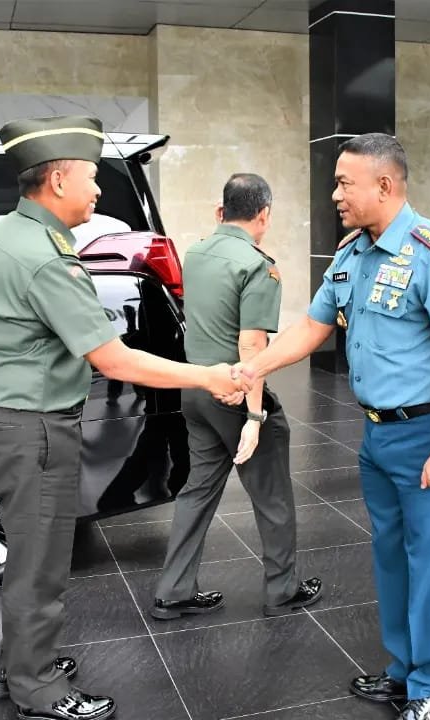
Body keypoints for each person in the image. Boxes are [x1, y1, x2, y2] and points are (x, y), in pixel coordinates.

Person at [0, 115, 242, 720]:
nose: (97, 190)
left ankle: (17, 662)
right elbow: (112, 358)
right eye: (92, 177)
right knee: (42, 563)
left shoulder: (2, 236)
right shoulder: (45, 258)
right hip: (34, 428)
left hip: (5, 419)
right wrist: (207, 375)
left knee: (29, 551)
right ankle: (37, 686)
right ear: (58, 180)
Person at [238, 133, 430, 720]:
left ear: (384, 184)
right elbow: (313, 326)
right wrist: (254, 368)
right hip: (378, 437)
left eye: (343, 183)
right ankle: (403, 670)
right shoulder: (353, 254)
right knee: (393, 559)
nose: (335, 195)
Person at [151, 173, 322, 621]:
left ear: (220, 210)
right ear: (264, 214)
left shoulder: (196, 252)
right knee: (272, 495)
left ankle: (173, 591)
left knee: (197, 491)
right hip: (233, 394)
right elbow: (252, 346)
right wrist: (255, 416)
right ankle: (283, 589)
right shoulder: (258, 265)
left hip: (196, 389)